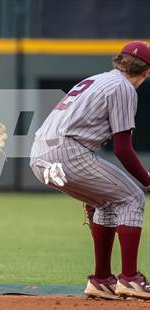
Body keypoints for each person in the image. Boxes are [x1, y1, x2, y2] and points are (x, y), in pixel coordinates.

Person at [30, 41, 150, 300]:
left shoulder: (97, 80)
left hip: (40, 153)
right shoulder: (124, 88)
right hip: (67, 151)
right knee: (133, 197)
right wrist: (148, 181)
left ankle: (102, 280)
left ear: (119, 61)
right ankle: (130, 279)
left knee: (107, 204)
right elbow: (123, 149)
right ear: (146, 72)